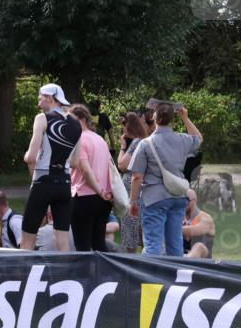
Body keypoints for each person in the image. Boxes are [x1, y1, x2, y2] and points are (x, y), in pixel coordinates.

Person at [128, 104, 203, 256]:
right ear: (173, 120)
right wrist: (185, 118)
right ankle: (174, 277)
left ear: (154, 118)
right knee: (175, 244)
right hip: (178, 196)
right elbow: (198, 138)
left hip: (154, 198)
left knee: (153, 244)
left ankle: (151, 278)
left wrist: (133, 202)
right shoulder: (182, 139)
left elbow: (137, 177)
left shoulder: (146, 144)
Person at [21, 83, 82, 251]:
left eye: (40, 96)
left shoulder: (42, 118)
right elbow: (75, 163)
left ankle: (22, 276)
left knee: (27, 238)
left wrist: (26, 155)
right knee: (62, 241)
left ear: (50, 97)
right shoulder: (76, 124)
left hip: (43, 182)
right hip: (64, 184)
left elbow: (31, 157)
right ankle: (66, 276)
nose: (38, 100)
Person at [69, 105, 114, 252]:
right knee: (99, 244)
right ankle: (103, 274)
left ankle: (84, 275)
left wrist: (99, 190)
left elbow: (86, 170)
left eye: (70, 119)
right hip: (103, 199)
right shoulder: (101, 139)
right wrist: (103, 193)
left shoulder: (79, 139)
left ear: (81, 119)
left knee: (82, 246)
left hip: (84, 196)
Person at [117, 112, 148, 253]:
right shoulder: (145, 140)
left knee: (131, 225)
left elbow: (122, 165)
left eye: (123, 126)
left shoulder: (137, 142)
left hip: (133, 192)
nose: (123, 130)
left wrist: (122, 147)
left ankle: (131, 259)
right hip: (140, 190)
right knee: (139, 225)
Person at [183, 189, 216, 258]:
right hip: (181, 255)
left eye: (185, 200)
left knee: (199, 246)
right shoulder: (179, 218)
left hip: (203, 261)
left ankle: (186, 261)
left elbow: (197, 230)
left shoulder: (206, 218)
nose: (183, 202)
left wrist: (172, 228)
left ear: (194, 201)